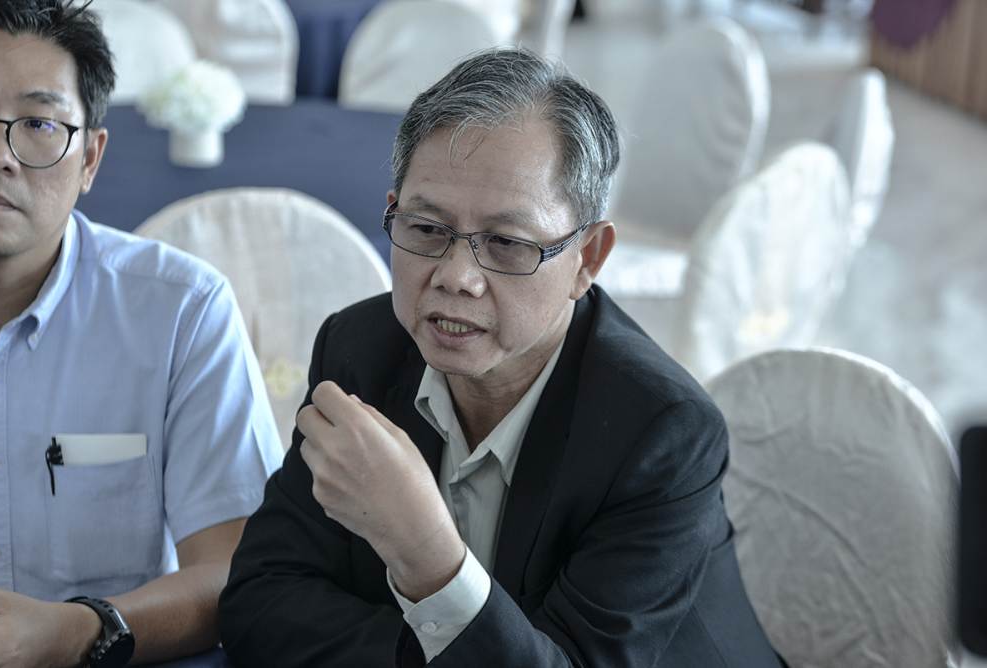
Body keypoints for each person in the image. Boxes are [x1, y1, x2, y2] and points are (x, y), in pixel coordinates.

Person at [219, 48, 783, 667]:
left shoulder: (662, 434)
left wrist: (426, 552)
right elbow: (258, 603)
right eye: (427, 229)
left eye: (507, 242)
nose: (457, 277)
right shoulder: (357, 350)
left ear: (587, 259)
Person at [0, 1, 282, 665]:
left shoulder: (182, 312)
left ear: (89, 158)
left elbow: (237, 570)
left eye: (37, 123)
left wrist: (75, 632)